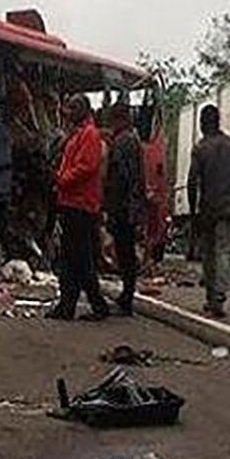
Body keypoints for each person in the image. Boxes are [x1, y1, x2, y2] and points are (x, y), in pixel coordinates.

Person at [48, 94, 110, 321]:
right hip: (72, 203)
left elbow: (86, 167)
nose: (68, 112)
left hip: (80, 205)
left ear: (84, 109)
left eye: (73, 107)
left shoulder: (88, 135)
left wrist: (60, 180)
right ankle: (68, 305)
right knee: (72, 258)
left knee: (80, 258)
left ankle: (95, 305)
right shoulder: (77, 135)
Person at [187, 105, 230, 318]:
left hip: (208, 210)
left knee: (208, 254)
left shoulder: (200, 148)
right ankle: (219, 296)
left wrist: (193, 212)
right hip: (229, 208)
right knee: (223, 252)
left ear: (203, 123)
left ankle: (212, 296)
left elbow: (192, 182)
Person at [104, 102, 146, 316]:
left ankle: (127, 297)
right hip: (130, 205)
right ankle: (126, 295)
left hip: (123, 206)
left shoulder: (123, 141)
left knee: (125, 252)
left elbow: (120, 177)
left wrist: (111, 205)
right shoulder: (133, 140)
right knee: (125, 251)